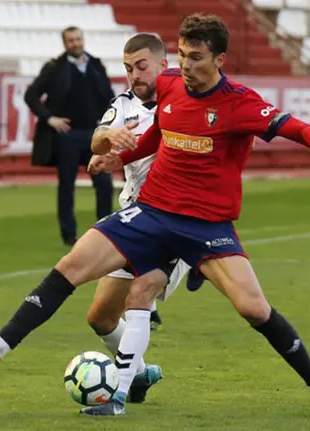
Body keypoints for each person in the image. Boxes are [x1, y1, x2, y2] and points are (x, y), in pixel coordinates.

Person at [0, 14, 310, 419]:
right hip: (150, 212)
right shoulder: (169, 87)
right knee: (73, 267)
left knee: (253, 309)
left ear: (219, 60)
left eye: (197, 57)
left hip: (206, 226)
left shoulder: (239, 103)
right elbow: (156, 135)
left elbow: (293, 126)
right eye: (183, 54)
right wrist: (118, 158)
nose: (186, 65)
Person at [82, 32, 194, 404]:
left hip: (174, 219)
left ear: (165, 64)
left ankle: (121, 391)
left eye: (141, 66)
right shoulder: (124, 105)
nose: (134, 75)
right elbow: (98, 139)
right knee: (99, 318)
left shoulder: (188, 99)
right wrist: (105, 141)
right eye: (128, 68)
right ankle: (142, 371)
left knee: (140, 293)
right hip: (131, 217)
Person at [24, 26, 116, 246]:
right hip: (67, 135)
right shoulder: (54, 67)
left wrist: (109, 123)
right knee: (67, 186)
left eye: (78, 39)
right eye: (71, 41)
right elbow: (31, 95)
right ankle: (68, 235)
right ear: (65, 44)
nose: (76, 44)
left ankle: (103, 231)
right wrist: (49, 118)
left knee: (104, 183)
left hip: (94, 133)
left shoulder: (95, 65)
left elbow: (109, 97)